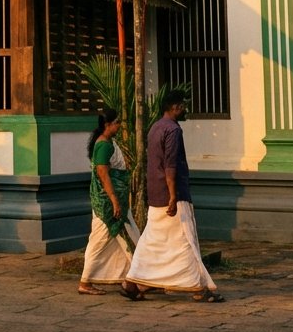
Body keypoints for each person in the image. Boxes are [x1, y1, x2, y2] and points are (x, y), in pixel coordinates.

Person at [122, 90, 223, 303]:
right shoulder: (173, 130)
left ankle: (134, 281)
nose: (185, 109)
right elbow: (170, 165)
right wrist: (173, 195)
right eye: (183, 105)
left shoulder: (155, 128)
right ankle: (196, 286)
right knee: (185, 238)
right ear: (175, 106)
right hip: (172, 194)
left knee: (153, 238)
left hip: (155, 192)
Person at [78, 106, 140, 295]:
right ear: (107, 125)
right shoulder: (104, 145)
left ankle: (136, 277)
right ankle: (85, 281)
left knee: (131, 236)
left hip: (115, 200)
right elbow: (103, 173)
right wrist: (113, 199)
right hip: (107, 203)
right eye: (117, 122)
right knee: (101, 240)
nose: (120, 126)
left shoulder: (108, 142)